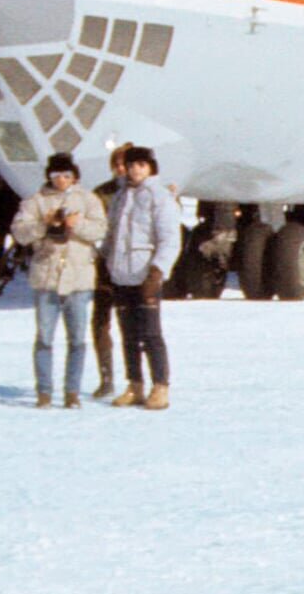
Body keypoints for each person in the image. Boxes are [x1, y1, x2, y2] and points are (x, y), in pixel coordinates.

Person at [11, 154, 105, 407]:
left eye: (66, 175)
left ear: (75, 176)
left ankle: (72, 392)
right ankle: (44, 391)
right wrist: (44, 225)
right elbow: (19, 232)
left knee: (77, 338)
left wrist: (78, 224)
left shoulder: (88, 199)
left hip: (78, 277)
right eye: (56, 176)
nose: (61, 180)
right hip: (47, 277)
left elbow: (100, 229)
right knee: (44, 337)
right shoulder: (36, 201)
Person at [101, 145, 182, 408]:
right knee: (128, 334)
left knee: (150, 332)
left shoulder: (159, 197)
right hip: (121, 272)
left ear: (151, 168)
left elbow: (170, 239)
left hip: (145, 273)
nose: (135, 170)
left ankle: (160, 385)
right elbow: (112, 235)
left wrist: (158, 271)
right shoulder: (120, 196)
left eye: (141, 165)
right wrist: (103, 262)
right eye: (132, 165)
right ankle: (135, 384)